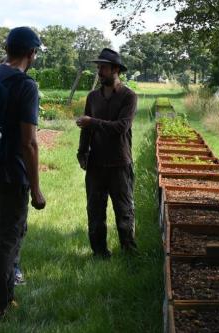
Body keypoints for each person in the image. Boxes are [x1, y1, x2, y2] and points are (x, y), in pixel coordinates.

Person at [0, 26, 46, 319]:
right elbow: (29, 142)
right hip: (12, 173)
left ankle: (5, 293)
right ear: (31, 53)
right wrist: (37, 189)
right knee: (9, 238)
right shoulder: (26, 86)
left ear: (7, 49)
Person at [76, 48, 137, 259]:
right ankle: (100, 254)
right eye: (98, 67)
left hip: (120, 163)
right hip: (96, 165)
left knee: (124, 211)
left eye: (103, 67)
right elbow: (86, 128)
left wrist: (92, 122)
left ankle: (129, 253)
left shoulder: (129, 96)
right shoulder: (93, 97)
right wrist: (82, 152)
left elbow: (121, 127)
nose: (99, 71)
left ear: (116, 70)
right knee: (95, 213)